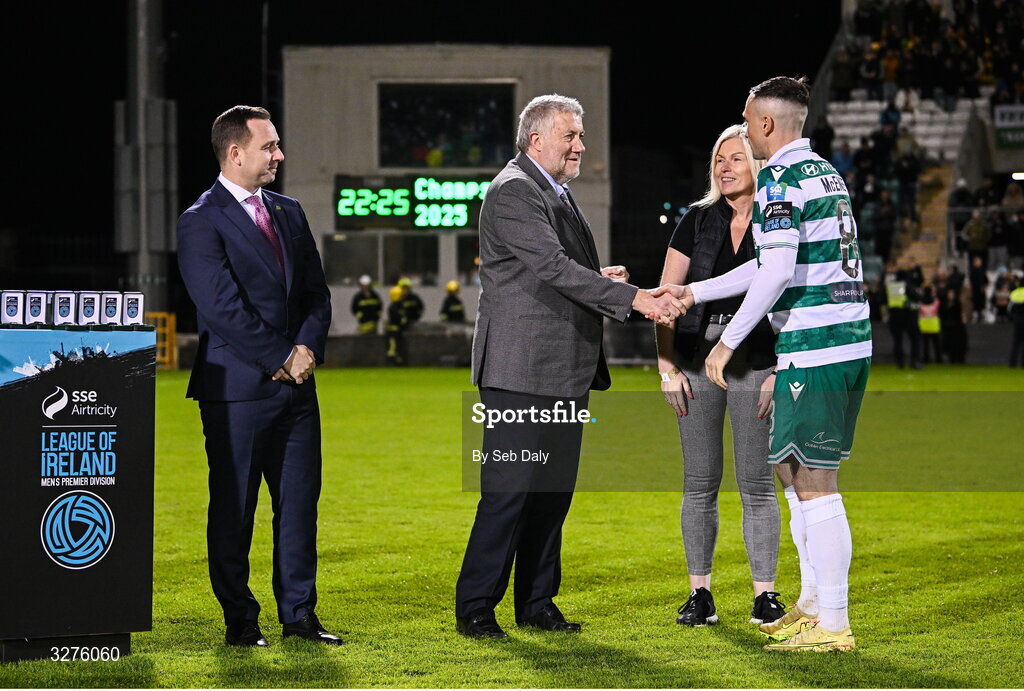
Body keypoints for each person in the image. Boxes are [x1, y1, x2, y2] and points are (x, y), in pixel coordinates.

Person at [455, 93, 683, 639]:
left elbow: (540, 269)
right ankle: (477, 608)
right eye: (571, 136)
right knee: (509, 493)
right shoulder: (515, 190)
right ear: (537, 140)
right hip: (518, 374)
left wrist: (601, 276)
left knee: (552, 493)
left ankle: (536, 602)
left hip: (558, 370)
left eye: (580, 135)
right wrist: (635, 299)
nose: (581, 145)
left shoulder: (548, 190)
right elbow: (553, 267)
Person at [656, 76, 872, 653]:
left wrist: (726, 345)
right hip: (847, 340)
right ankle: (811, 604)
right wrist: (697, 295)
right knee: (791, 474)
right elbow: (770, 264)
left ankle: (834, 623)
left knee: (815, 483)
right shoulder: (822, 171)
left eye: (748, 123)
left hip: (817, 343)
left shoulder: (778, 174)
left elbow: (773, 272)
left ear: (766, 125)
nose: (746, 135)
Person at [176, 105, 339, 647]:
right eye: (269, 147)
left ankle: (300, 617)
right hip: (237, 392)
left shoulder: (289, 211)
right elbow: (220, 307)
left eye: (277, 146)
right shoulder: (200, 219)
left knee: (298, 506)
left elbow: (316, 292)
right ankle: (240, 621)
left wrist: (308, 347)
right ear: (236, 152)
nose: (279, 155)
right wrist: (280, 356)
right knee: (235, 508)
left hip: (298, 387)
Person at [655, 125, 785, 629]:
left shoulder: (777, 220)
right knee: (699, 482)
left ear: (759, 164)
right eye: (718, 159)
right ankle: (700, 594)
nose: (725, 166)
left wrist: (781, 367)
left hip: (758, 362)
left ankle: (765, 595)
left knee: (757, 484)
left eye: (736, 158)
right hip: (694, 360)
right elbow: (667, 297)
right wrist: (666, 366)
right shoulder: (696, 220)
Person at [385, 285, 408, 365]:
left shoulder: (401, 306)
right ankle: (391, 362)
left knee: (399, 347)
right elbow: (398, 317)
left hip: (399, 331)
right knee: (393, 348)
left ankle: (398, 360)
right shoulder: (393, 307)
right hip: (393, 332)